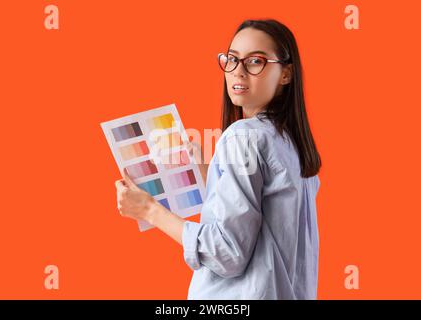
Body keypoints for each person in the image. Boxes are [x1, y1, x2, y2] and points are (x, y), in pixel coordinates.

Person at [115, 19, 322, 299]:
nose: (238, 72)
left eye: (255, 61)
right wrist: (209, 172)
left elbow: (226, 253)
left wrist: (149, 210)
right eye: (232, 60)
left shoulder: (243, 136)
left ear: (286, 74)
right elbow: (266, 229)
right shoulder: (291, 143)